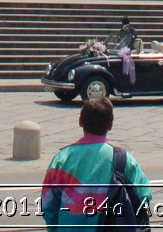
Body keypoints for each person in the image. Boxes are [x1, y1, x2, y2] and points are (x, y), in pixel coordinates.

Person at [40, 97, 151, 228]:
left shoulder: (61, 160)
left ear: (80, 121)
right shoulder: (124, 159)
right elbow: (144, 196)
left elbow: (48, 205)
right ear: (110, 125)